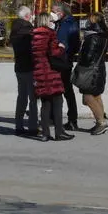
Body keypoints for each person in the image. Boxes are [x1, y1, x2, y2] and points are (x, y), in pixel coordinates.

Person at [31, 11, 71, 141]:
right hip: (50, 71)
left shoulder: (33, 35)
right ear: (46, 21)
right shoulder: (50, 34)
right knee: (58, 101)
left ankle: (45, 133)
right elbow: (54, 52)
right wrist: (62, 47)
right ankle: (59, 132)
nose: (52, 23)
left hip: (39, 72)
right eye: (50, 20)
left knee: (45, 102)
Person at [73, 12, 108, 136]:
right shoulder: (103, 35)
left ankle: (101, 122)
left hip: (91, 71)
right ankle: (100, 122)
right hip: (99, 70)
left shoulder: (92, 37)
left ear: (93, 20)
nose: (87, 21)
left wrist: (80, 57)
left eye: (89, 19)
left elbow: (88, 56)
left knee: (88, 98)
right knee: (96, 96)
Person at [51, 1, 82, 132]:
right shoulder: (59, 24)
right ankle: (53, 117)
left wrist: (67, 53)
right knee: (55, 90)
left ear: (61, 12)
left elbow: (74, 43)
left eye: (54, 11)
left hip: (63, 60)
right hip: (57, 59)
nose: (52, 13)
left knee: (66, 91)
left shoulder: (68, 24)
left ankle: (72, 119)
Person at [11, 7, 38, 138]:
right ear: (28, 16)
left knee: (21, 97)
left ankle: (19, 125)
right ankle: (33, 126)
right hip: (30, 67)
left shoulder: (14, 29)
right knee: (33, 99)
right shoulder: (29, 30)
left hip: (19, 67)